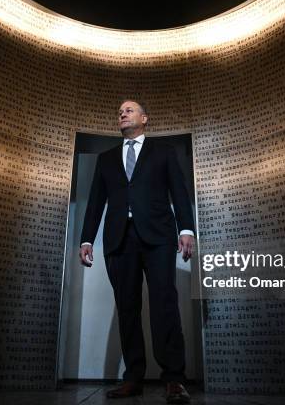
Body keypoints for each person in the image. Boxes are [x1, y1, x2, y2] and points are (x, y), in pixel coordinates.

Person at [79, 99, 195, 404]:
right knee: (127, 308)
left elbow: (179, 192)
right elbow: (95, 202)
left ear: (145, 118)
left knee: (164, 304)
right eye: (119, 111)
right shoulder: (106, 159)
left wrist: (186, 229)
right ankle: (133, 377)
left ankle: (174, 379)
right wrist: (86, 239)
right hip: (119, 240)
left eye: (129, 110)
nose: (122, 113)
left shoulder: (164, 153)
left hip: (158, 236)